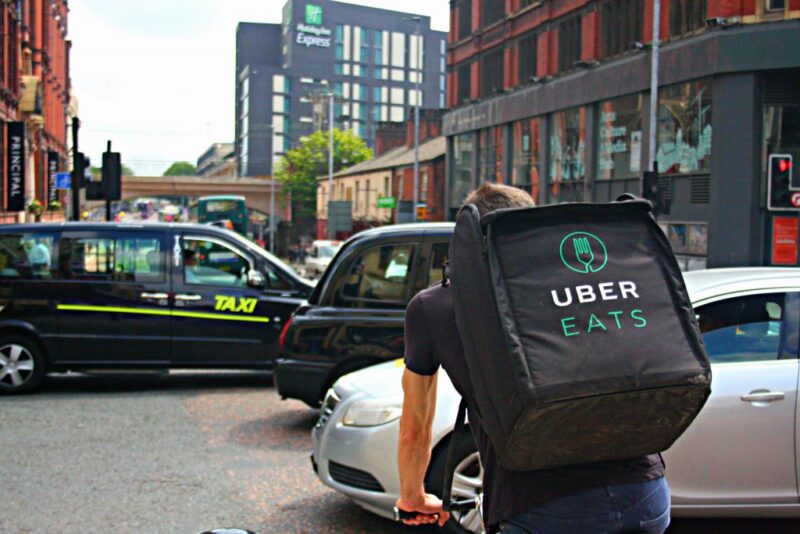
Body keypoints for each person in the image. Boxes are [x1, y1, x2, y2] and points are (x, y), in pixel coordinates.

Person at [396, 182, 669, 534]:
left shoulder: (434, 307)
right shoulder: (580, 281)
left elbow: (415, 427)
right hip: (644, 491)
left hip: (540, 505)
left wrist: (412, 496)